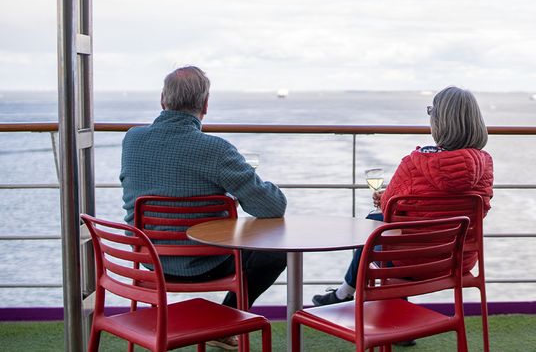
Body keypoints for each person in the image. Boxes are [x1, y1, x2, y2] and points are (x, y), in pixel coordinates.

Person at [120, 66, 287, 350]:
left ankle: (221, 325)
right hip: (205, 265)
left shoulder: (132, 139)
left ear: (163, 99)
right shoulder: (217, 150)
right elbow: (272, 207)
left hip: (149, 260)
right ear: (206, 105)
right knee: (274, 255)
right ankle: (225, 322)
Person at [312, 86, 493, 344]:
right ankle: (369, 306)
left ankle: (352, 297)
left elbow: (388, 211)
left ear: (440, 121)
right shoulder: (485, 164)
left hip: (412, 264)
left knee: (376, 226)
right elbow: (481, 210)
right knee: (385, 229)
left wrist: (390, 199)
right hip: (458, 261)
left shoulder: (414, 163)